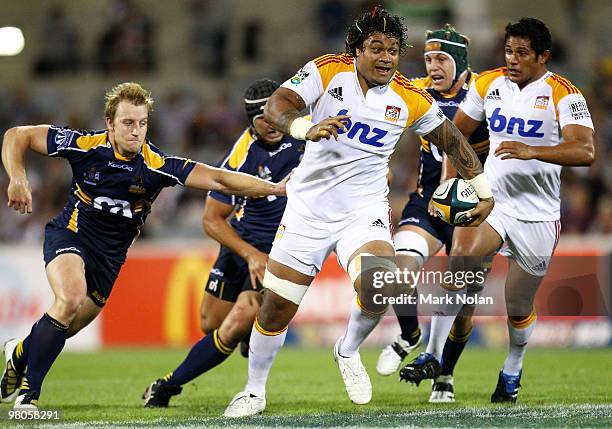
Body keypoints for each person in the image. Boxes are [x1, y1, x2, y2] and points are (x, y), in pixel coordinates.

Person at [223, 7, 494, 418]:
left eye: (393, 50)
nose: (386, 57)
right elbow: (278, 105)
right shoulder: (327, 71)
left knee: (380, 284)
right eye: (376, 48)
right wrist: (304, 127)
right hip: (307, 211)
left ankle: (347, 350)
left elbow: (454, 139)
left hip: (362, 211)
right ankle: (254, 391)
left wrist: (483, 190)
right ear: (356, 50)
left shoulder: (408, 96)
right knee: (276, 307)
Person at [0, 82, 287, 410]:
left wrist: (275, 189)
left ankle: (20, 351)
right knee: (69, 299)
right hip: (71, 235)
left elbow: (220, 179)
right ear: (109, 123)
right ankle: (29, 397)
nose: (136, 132)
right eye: (127, 123)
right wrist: (18, 177)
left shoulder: (156, 165)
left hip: (109, 259)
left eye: (142, 123)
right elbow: (16, 135)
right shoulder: (83, 144)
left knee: (65, 325)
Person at [398, 18, 595, 403]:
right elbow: (455, 133)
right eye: (508, 51)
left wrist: (532, 150)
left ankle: (512, 368)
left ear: (543, 56)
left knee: (518, 307)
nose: (513, 59)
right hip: (494, 201)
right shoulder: (488, 84)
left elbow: (585, 151)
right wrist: (452, 183)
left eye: (522, 53)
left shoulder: (564, 95)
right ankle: (433, 356)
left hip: (537, 215)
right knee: (461, 259)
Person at [141, 79, 305, 407]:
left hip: (281, 250)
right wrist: (249, 254)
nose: (273, 125)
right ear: (252, 120)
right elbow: (211, 218)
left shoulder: (306, 140)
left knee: (238, 319)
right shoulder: (240, 156)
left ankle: (167, 386)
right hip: (243, 247)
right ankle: (251, 334)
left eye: (278, 116)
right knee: (210, 324)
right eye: (264, 119)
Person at [375, 24, 491, 404]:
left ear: (459, 61)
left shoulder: (486, 96)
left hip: (475, 209)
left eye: (441, 58)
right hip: (428, 202)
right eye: (427, 58)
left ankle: (445, 374)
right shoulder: (416, 88)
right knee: (398, 271)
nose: (433, 66)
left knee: (463, 307)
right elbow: (374, 112)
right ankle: (411, 335)